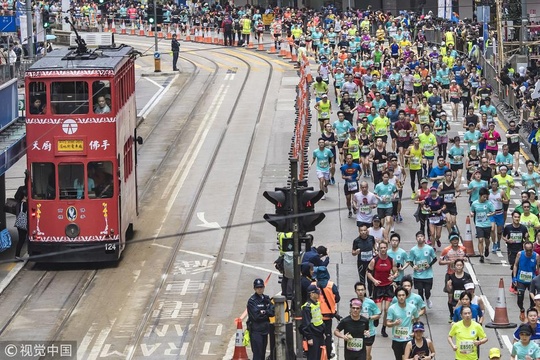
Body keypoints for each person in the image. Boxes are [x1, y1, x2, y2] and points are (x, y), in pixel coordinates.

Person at [367, 241, 398, 338]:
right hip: (378, 287)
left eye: (385, 247)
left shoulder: (391, 260)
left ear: (387, 248)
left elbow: (396, 272)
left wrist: (393, 277)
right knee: (379, 311)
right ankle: (376, 318)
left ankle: (384, 328)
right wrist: (374, 280)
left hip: (388, 287)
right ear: (379, 249)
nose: (383, 249)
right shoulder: (374, 260)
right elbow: (368, 272)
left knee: (387, 310)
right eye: (381, 248)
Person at [386, 286, 420, 360]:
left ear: (406, 296)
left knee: (407, 358)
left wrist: (415, 332)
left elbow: (417, 320)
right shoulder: (392, 308)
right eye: (399, 295)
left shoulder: (412, 307)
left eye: (403, 295)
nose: (401, 297)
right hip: (396, 339)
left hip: (408, 338)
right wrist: (394, 323)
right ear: (396, 297)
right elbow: (387, 323)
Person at [314, 266, 340, 357]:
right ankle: (328, 354)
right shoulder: (331, 285)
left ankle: (318, 354)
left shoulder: (313, 285)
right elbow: (337, 299)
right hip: (328, 316)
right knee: (328, 336)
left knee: (317, 336)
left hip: (316, 316)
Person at [246, 278, 275, 360]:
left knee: (263, 353)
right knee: (257, 354)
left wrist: (263, 312)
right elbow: (256, 317)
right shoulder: (252, 301)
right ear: (255, 289)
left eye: (261, 287)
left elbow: (272, 312)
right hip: (256, 331)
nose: (260, 289)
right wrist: (266, 312)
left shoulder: (266, 299)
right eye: (258, 288)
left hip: (265, 330)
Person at [408, 231, 437, 308]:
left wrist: (429, 265)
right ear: (416, 239)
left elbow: (435, 259)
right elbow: (410, 260)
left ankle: (427, 299)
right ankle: (422, 305)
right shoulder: (413, 250)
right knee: (420, 291)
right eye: (418, 236)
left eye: (421, 236)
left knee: (427, 291)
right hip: (418, 275)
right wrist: (413, 266)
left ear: (424, 238)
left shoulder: (429, 248)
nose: (420, 238)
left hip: (428, 274)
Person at [513, 241, 540, 322]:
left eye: (530, 250)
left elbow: (537, 268)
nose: (528, 252)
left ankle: (530, 314)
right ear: (524, 249)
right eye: (527, 250)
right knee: (520, 298)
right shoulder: (520, 254)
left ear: (533, 249)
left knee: (533, 300)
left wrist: (537, 278)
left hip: (532, 280)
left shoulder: (536, 256)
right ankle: (522, 309)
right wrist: (514, 277)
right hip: (521, 280)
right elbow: (515, 265)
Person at [355, 281, 381, 360]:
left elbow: (378, 315)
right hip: (357, 332)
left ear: (365, 290)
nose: (360, 292)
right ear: (355, 291)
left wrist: (370, 318)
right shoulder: (353, 302)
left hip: (369, 333)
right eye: (358, 290)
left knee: (366, 356)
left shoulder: (370, 302)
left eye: (362, 290)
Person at [470, 187, 495, 263]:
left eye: (486, 197)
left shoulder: (489, 203)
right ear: (480, 196)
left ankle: (487, 248)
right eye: (484, 197)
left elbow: (494, 212)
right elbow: (472, 211)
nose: (485, 198)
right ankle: (481, 255)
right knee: (480, 239)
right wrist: (471, 214)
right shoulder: (474, 203)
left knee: (487, 240)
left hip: (487, 224)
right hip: (479, 224)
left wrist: (489, 214)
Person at [300, 284, 326, 360]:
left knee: (319, 356)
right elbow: (305, 324)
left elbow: (319, 319)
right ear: (311, 294)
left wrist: (323, 332)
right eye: (316, 292)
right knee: (313, 356)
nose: (318, 294)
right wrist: (309, 337)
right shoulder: (307, 307)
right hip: (313, 335)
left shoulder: (316, 304)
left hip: (319, 333)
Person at [352, 224, 376, 296]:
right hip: (361, 264)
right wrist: (356, 252)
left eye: (364, 230)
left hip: (370, 263)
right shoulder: (356, 241)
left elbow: (374, 247)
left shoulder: (371, 238)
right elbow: (353, 252)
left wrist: (376, 251)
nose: (363, 232)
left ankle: (371, 296)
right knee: (362, 281)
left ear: (367, 231)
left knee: (370, 280)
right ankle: (363, 296)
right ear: (359, 231)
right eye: (361, 230)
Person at [342, 153, 362, 218]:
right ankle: (349, 210)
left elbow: (360, 171)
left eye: (350, 158)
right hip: (347, 184)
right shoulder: (343, 167)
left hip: (354, 184)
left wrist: (358, 176)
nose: (349, 160)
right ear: (346, 159)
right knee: (348, 199)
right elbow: (342, 176)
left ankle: (354, 207)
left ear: (352, 159)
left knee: (354, 198)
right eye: (348, 159)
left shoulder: (356, 165)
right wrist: (347, 177)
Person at [14, 188, 28, 261]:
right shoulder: (25, 204)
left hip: (20, 224)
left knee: (21, 239)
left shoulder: (20, 203)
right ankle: (17, 255)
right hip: (23, 224)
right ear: (25, 196)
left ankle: (17, 255)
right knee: (22, 240)